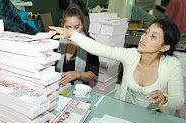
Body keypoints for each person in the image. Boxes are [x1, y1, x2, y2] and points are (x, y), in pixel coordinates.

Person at [49, 17, 184, 115]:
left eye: (153, 36)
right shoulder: (131, 55)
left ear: (165, 47)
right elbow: (100, 48)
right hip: (128, 112)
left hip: (158, 117)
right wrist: (72, 34)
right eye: (146, 32)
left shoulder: (172, 65)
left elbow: (179, 101)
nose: (144, 37)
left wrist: (165, 99)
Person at [56, 4, 99, 86]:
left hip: (79, 89)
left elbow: (94, 74)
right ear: (62, 25)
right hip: (57, 87)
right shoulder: (56, 41)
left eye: (77, 27)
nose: (73, 32)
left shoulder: (89, 43)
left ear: (82, 25)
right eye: (68, 28)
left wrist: (77, 74)